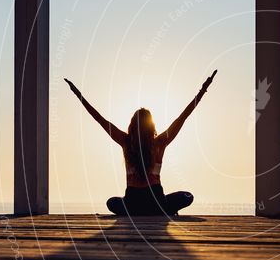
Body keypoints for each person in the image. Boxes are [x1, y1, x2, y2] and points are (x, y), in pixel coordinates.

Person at [64, 70, 217, 216]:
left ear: (132, 125)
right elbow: (182, 117)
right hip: (156, 203)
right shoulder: (160, 142)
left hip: (132, 203)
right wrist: (202, 90)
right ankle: (161, 211)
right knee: (187, 196)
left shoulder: (125, 141)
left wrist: (79, 95)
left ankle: (134, 212)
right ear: (152, 126)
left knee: (111, 202)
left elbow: (100, 120)